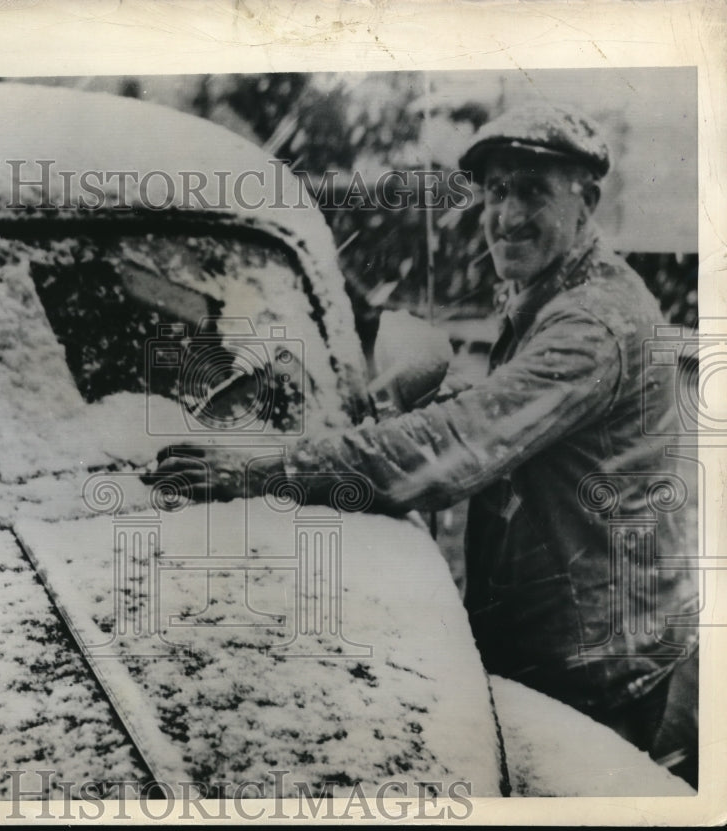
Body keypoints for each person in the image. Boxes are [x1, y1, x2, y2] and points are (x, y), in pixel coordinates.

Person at [145, 102, 698, 760]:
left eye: (532, 191)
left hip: (593, 669)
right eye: (496, 191)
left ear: (587, 201)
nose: (507, 215)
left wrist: (269, 468)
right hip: (583, 638)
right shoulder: (558, 292)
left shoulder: (591, 324)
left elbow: (458, 446)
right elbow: (511, 416)